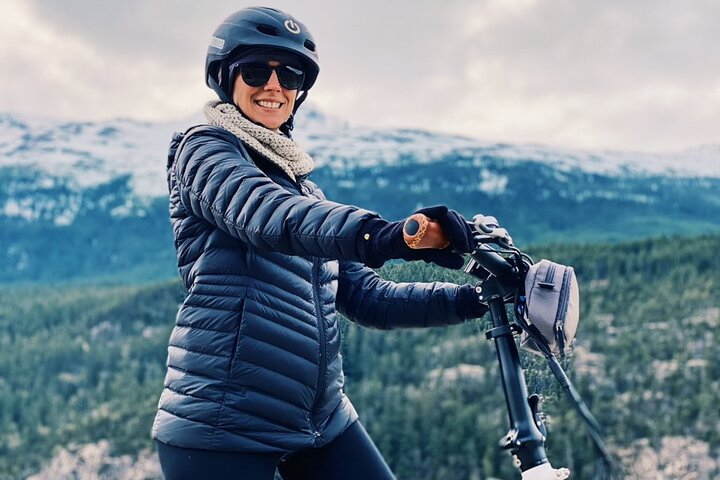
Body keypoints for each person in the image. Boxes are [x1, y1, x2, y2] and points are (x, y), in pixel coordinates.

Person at [152, 7, 494, 479]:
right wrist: (387, 235)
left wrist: (475, 299)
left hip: (320, 420)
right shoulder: (204, 150)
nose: (274, 86)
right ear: (224, 77)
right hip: (223, 427)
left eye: (290, 74)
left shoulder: (306, 190)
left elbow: (367, 298)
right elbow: (267, 215)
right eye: (256, 70)